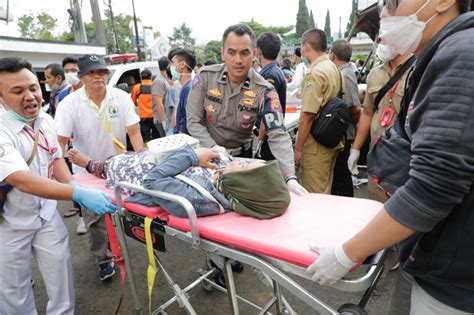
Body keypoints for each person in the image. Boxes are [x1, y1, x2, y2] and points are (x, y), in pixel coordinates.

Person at [306, 1, 474, 314]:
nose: (385, 13)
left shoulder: (461, 55)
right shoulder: (442, 52)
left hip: (453, 275)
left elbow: (434, 188)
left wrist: (346, 253)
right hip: (434, 251)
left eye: (393, 2)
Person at [0, 57, 115, 314]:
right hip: (8, 224)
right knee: (15, 295)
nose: (30, 96)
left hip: (46, 216)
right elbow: (20, 178)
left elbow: (55, 159)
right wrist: (76, 192)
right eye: (17, 91)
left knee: (61, 281)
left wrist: (74, 184)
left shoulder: (45, 120)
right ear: (0, 98)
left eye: (32, 88)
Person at [186, 23, 307, 196]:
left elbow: (278, 134)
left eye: (244, 53)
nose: (238, 60)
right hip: (207, 158)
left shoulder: (264, 90)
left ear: (255, 54)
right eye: (231, 52)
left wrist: (290, 177)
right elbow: (193, 121)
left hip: (242, 160)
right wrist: (214, 147)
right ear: (222, 53)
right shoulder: (205, 78)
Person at [55, 54, 144, 281]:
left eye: (102, 72)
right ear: (82, 77)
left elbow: (133, 131)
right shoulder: (68, 105)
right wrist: (62, 177)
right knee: (94, 219)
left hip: (118, 168)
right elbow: (61, 142)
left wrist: (141, 160)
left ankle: (121, 248)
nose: (98, 77)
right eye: (92, 73)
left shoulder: (121, 97)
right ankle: (103, 259)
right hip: (86, 172)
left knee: (125, 212)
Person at [68, 145, 291, 219]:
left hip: (133, 172)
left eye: (243, 166)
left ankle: (89, 164)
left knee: (111, 164)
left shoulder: (198, 200)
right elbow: (225, 159)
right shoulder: (226, 178)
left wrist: (193, 155)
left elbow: (151, 182)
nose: (239, 163)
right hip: (157, 158)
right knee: (133, 154)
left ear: (242, 186)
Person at [348, 48, 413, 202]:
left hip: (404, 155)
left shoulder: (417, 70)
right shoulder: (375, 74)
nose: (381, 43)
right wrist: (356, 149)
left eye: (384, 38)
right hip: (377, 152)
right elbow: (367, 112)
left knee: (402, 207)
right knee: (375, 202)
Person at [294, 29, 343, 194]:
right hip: (331, 138)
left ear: (306, 47)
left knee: (314, 195)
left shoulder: (315, 74)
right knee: (325, 190)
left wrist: (298, 149)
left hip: (315, 145)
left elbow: (307, 116)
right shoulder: (332, 67)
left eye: (301, 46)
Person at [329, 40, 361, 197]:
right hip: (343, 134)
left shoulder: (345, 75)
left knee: (342, 177)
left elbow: (354, 109)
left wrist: (356, 133)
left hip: (345, 135)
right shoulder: (343, 73)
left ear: (332, 55)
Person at [255, 32, 287, 161]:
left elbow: (267, 112)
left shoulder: (269, 75)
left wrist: (259, 141)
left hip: (268, 136)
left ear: (258, 52)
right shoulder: (276, 70)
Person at [131, 68, 161, 142]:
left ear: (141, 77)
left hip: (144, 117)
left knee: (146, 138)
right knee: (156, 137)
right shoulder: (156, 85)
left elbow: (133, 102)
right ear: (151, 76)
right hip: (155, 115)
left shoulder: (137, 87)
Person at [173, 48, 197, 134]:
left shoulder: (188, 88)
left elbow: (187, 117)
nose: (171, 67)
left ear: (182, 64)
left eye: (173, 63)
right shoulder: (188, 86)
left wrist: (180, 134)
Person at [151, 57, 171, 138]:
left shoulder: (166, 79)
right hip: (161, 119)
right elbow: (159, 103)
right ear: (168, 66)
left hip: (168, 117)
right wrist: (164, 121)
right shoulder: (158, 81)